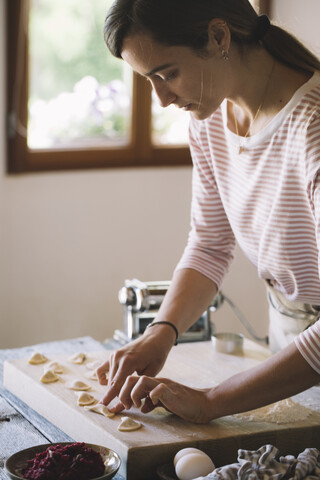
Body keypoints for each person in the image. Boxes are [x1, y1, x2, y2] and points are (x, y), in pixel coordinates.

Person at [97, 0, 320, 424]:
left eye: (167, 74)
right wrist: (161, 332)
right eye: (149, 80)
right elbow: (209, 246)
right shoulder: (210, 121)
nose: (160, 99)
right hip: (293, 346)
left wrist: (214, 401)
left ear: (219, 37)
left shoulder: (314, 129)